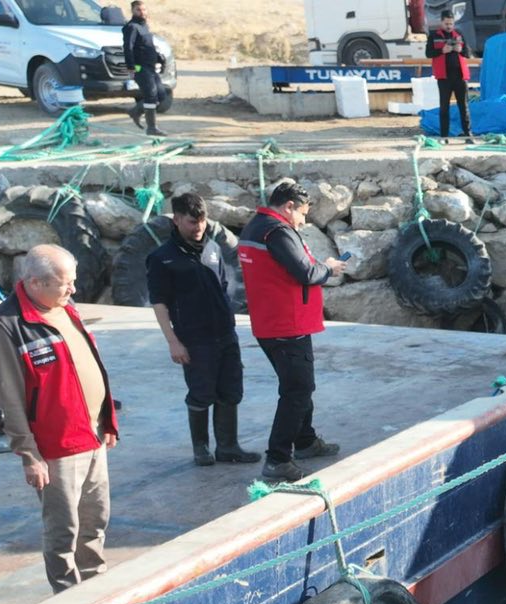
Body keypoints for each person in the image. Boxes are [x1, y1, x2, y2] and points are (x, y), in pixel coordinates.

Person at [0, 245, 119, 593]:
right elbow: (8, 397)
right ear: (34, 282)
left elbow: (89, 366)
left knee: (95, 518)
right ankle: (67, 594)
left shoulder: (66, 309)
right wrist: (29, 455)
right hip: (55, 447)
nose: (73, 290)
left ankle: (95, 584)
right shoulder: (6, 326)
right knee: (64, 527)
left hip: (91, 435)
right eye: (65, 284)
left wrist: (107, 421)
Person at [240, 181, 348, 482]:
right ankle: (278, 458)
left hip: (271, 323)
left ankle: (305, 440)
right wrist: (328, 268)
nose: (303, 221)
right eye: (302, 214)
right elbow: (306, 272)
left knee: (299, 385)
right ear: (288, 206)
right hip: (287, 325)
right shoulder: (277, 231)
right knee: (297, 390)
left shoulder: (255, 228)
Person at [147, 191, 258, 467]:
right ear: (176, 220)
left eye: (202, 221)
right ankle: (201, 448)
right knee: (201, 392)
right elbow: (159, 304)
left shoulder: (213, 248)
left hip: (224, 334)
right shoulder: (162, 258)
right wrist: (173, 341)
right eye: (191, 222)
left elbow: (221, 287)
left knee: (231, 390)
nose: (198, 228)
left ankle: (228, 447)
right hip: (194, 339)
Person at [426, 14, 473, 143]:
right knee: (444, 107)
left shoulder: (459, 34)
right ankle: (444, 137)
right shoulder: (434, 36)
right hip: (444, 78)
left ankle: (468, 135)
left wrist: (460, 49)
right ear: (441, 22)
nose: (449, 26)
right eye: (446, 24)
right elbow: (428, 53)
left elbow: (468, 54)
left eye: (451, 24)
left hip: (460, 77)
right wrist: (442, 51)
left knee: (463, 107)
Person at [121, 0, 164, 137]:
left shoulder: (144, 27)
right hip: (140, 68)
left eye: (144, 10)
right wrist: (131, 67)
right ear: (133, 11)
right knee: (151, 96)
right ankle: (152, 128)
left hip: (151, 68)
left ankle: (135, 111)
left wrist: (159, 58)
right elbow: (128, 47)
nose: (142, 12)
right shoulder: (131, 27)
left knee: (161, 95)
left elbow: (147, 45)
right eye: (139, 10)